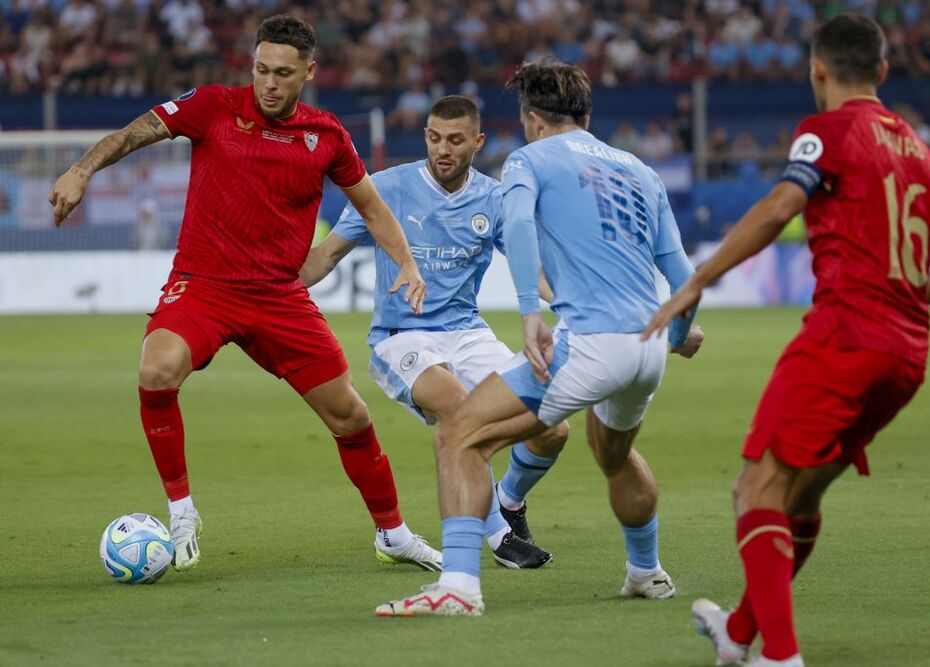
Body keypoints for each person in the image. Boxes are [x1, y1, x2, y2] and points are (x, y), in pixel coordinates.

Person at [48, 15, 442, 574]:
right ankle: (182, 511)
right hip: (204, 287)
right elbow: (135, 131)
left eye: (283, 73)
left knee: (351, 417)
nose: (269, 84)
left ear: (309, 71)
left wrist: (407, 262)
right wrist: (81, 170)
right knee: (156, 370)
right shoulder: (213, 106)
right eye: (260, 69)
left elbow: (373, 209)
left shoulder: (326, 136)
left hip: (279, 297)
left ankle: (393, 533)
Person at [642, 15, 930, 667]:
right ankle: (739, 634)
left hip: (845, 336)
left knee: (757, 491)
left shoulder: (825, 131)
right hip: (907, 355)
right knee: (800, 495)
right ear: (883, 70)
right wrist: (906, 301)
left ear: (817, 70)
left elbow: (778, 207)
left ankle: (782, 657)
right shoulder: (919, 147)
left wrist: (697, 280)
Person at [375, 60, 704, 617]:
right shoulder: (640, 170)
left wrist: (530, 311)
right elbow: (681, 272)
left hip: (590, 344)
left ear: (530, 118)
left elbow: (521, 226)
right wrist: (677, 330)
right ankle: (646, 571)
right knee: (614, 453)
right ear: (587, 113)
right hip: (647, 348)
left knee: (458, 437)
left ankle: (457, 588)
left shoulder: (529, 159)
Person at [301, 95, 568, 570]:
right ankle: (499, 536)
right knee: (460, 411)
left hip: (467, 332)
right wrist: (259, 285)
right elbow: (325, 257)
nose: (442, 149)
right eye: (434, 138)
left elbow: (536, 273)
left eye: (455, 140)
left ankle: (510, 499)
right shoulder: (386, 188)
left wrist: (577, 307)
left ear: (477, 142)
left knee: (553, 425)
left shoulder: (494, 198)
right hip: (401, 337)